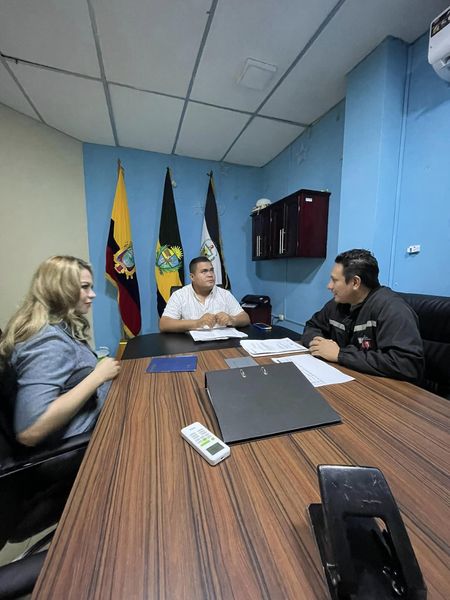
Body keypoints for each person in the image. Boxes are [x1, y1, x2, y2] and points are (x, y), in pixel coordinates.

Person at [0, 256, 120, 447]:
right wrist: (98, 376)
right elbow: (30, 430)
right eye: (84, 287)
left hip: (100, 413)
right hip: (86, 441)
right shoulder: (47, 341)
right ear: (60, 289)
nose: (92, 294)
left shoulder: (57, 326)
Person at [301, 249, 424, 382]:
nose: (329, 286)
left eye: (334, 280)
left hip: (383, 388)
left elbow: (407, 364)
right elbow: (312, 326)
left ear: (355, 282)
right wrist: (320, 344)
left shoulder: (393, 309)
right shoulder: (338, 303)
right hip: (346, 377)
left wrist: (340, 354)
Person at [159, 256, 250, 333]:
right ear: (192, 277)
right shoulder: (179, 295)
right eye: (204, 271)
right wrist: (197, 323)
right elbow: (164, 324)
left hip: (222, 344)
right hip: (191, 344)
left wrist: (232, 319)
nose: (210, 275)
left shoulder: (225, 294)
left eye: (212, 270)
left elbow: (245, 318)